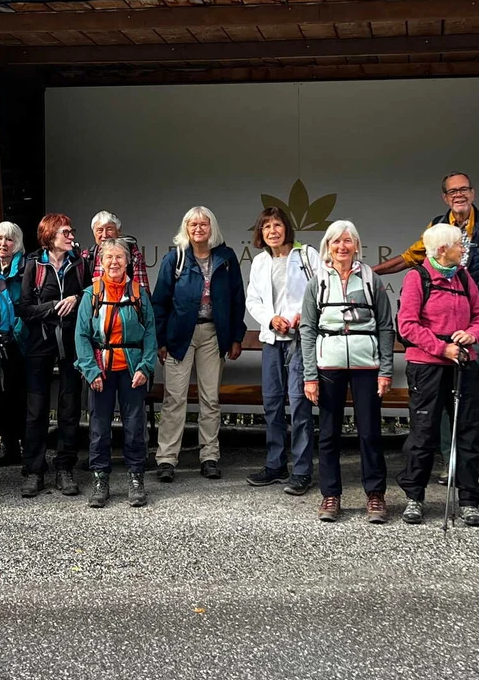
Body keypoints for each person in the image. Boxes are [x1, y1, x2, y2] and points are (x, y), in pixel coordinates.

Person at [376, 170, 479, 494]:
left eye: (464, 189)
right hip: (436, 340)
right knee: (440, 403)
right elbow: (411, 257)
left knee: (475, 398)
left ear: (473, 192)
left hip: (474, 330)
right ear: (445, 197)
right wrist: (369, 271)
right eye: (452, 191)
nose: (459, 194)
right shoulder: (435, 228)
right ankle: (449, 461)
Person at [396, 223, 479, 527]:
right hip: (427, 366)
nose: (463, 250)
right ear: (442, 250)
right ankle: (414, 497)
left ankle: (468, 501)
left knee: (468, 431)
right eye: (459, 246)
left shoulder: (464, 278)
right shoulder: (417, 277)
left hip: (464, 363)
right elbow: (407, 325)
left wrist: (472, 335)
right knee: (423, 432)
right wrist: (443, 348)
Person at [301, 220, 396, 523]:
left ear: (357, 245)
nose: (342, 247)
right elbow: (307, 329)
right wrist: (310, 376)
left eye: (348, 241)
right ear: (327, 246)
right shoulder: (318, 281)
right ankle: (331, 496)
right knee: (328, 433)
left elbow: (384, 326)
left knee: (370, 431)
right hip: (328, 365)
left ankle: (376, 495)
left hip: (367, 365)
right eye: (336, 242)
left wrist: (385, 370)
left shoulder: (370, 279)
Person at [152, 206, 246, 482]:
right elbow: (160, 301)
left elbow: (237, 299)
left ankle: (210, 456)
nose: (198, 229)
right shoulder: (175, 258)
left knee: (210, 398)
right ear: (186, 228)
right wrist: (161, 340)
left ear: (212, 228)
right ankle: (167, 459)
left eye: (203, 224)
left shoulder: (226, 258)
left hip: (213, 335)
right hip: (180, 335)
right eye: (192, 225)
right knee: (174, 399)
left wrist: (236, 336)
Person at [74, 239, 159, 509]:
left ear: (128, 262)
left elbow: (150, 334)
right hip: (101, 370)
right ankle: (101, 480)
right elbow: (82, 336)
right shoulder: (92, 294)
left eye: (119, 257)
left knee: (135, 428)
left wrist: (146, 367)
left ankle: (136, 479)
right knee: (99, 429)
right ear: (100, 261)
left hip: (132, 370)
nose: (114, 262)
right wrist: (91, 370)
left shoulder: (138, 293)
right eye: (108, 257)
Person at [243, 206, 321, 495]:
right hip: (272, 340)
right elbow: (253, 300)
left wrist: (302, 315)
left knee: (300, 403)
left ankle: (301, 471)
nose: (272, 231)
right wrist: (269, 319)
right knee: (273, 403)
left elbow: (319, 291)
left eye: (277, 225)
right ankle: (275, 464)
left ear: (287, 227)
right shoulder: (261, 261)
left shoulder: (307, 255)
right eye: (266, 227)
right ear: (260, 233)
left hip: (300, 339)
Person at [18, 213, 85, 497]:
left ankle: (65, 469)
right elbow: (24, 308)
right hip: (39, 342)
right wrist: (54, 306)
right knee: (36, 409)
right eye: (66, 232)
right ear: (50, 236)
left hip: (71, 343)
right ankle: (35, 470)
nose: (71, 236)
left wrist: (77, 298)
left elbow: (91, 295)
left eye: (71, 231)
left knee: (70, 407)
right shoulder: (34, 264)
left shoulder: (80, 263)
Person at [0, 221, 29, 471]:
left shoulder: (25, 267)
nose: (4, 244)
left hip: (19, 343)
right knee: (1, 395)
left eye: (9, 239)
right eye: (0, 238)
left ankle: (27, 447)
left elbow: (26, 304)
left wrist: (16, 330)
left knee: (21, 395)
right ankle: (9, 446)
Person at [81, 211, 149, 291]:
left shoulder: (133, 255)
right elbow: (81, 292)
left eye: (109, 229)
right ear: (94, 233)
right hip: (94, 302)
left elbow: (142, 293)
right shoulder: (86, 256)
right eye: (99, 230)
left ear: (118, 231)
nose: (105, 235)